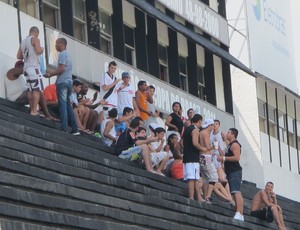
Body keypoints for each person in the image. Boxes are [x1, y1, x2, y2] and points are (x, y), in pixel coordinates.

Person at [45, 38, 80, 135]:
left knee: (62, 105)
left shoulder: (63, 54)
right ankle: (75, 128)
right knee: (68, 105)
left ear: (61, 44)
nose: (55, 46)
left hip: (63, 83)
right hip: (68, 82)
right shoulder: (69, 55)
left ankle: (64, 126)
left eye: (56, 44)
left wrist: (50, 74)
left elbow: (61, 69)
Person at [17, 26, 44, 116]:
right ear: (36, 33)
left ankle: (31, 109)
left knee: (30, 89)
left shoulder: (23, 41)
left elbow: (18, 56)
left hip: (26, 67)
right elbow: (38, 50)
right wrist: (42, 49)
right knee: (36, 89)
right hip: (34, 67)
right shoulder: (35, 39)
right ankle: (34, 110)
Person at [218, 128, 244, 221]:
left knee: (236, 192)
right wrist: (218, 148)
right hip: (230, 171)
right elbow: (225, 155)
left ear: (232, 134)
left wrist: (223, 158)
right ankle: (239, 213)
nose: (227, 134)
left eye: (228, 132)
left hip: (235, 171)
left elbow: (237, 158)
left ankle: (239, 212)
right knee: (234, 192)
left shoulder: (235, 144)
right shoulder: (229, 145)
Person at [182, 114, 207, 203]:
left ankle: (195, 197)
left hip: (186, 156)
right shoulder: (195, 130)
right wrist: (203, 148)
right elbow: (195, 143)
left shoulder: (187, 129)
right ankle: (193, 197)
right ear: (199, 121)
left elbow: (181, 142)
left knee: (191, 178)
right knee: (194, 178)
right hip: (193, 157)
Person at [199, 118, 218, 203]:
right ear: (209, 125)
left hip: (201, 157)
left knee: (205, 178)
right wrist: (214, 146)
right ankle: (208, 196)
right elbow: (207, 147)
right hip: (205, 157)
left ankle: (205, 196)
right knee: (214, 177)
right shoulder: (205, 133)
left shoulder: (201, 132)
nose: (213, 128)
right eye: (213, 125)